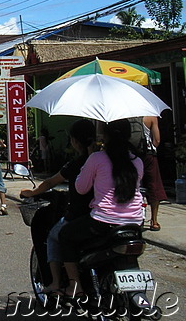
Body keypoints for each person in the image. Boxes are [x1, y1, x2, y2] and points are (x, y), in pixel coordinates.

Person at [58, 118, 145, 298]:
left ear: (105, 136)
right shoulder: (137, 160)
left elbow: (81, 189)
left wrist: (88, 162)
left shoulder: (97, 158)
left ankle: (75, 286)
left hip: (103, 221)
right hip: (135, 222)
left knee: (64, 235)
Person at [20, 119, 96, 294]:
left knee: (55, 236)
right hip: (122, 217)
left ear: (75, 141)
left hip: (86, 215)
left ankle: (61, 283)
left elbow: (51, 182)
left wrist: (32, 193)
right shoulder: (112, 160)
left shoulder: (82, 163)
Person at [141, 116, 167, 231]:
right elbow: (157, 140)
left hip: (132, 154)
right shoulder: (151, 116)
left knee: (135, 186)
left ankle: (135, 217)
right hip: (149, 155)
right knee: (153, 186)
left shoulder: (128, 115)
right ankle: (154, 221)